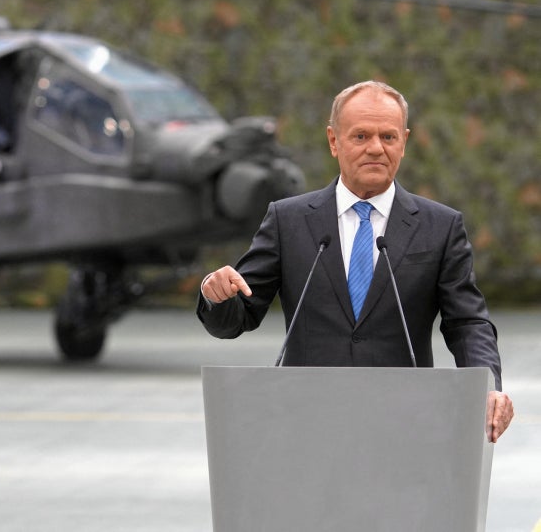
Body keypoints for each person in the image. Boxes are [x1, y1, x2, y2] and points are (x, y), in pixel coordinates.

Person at [197, 80, 514, 442]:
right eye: (361, 136)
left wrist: (487, 385)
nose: (376, 148)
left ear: (404, 142)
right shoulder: (289, 220)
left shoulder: (440, 227)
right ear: (334, 141)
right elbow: (238, 317)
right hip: (308, 424)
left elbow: (467, 322)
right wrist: (216, 295)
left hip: (405, 425)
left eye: (388, 137)